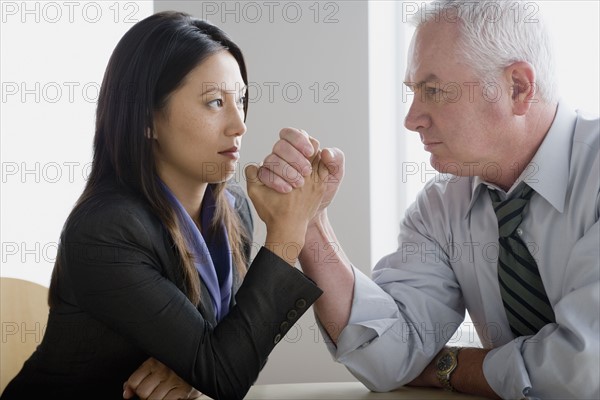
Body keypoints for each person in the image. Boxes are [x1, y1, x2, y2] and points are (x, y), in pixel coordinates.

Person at [256, 1, 599, 398]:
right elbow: (387, 356)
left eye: (433, 91)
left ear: (517, 88)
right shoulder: (441, 208)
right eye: (413, 92)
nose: (411, 118)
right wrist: (310, 221)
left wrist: (451, 366)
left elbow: (582, 370)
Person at [0, 11, 332, 400]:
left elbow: (229, 351)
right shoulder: (105, 231)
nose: (239, 124)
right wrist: (287, 232)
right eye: (213, 102)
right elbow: (227, 373)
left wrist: (195, 368)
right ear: (147, 120)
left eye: (240, 99)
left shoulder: (234, 207)